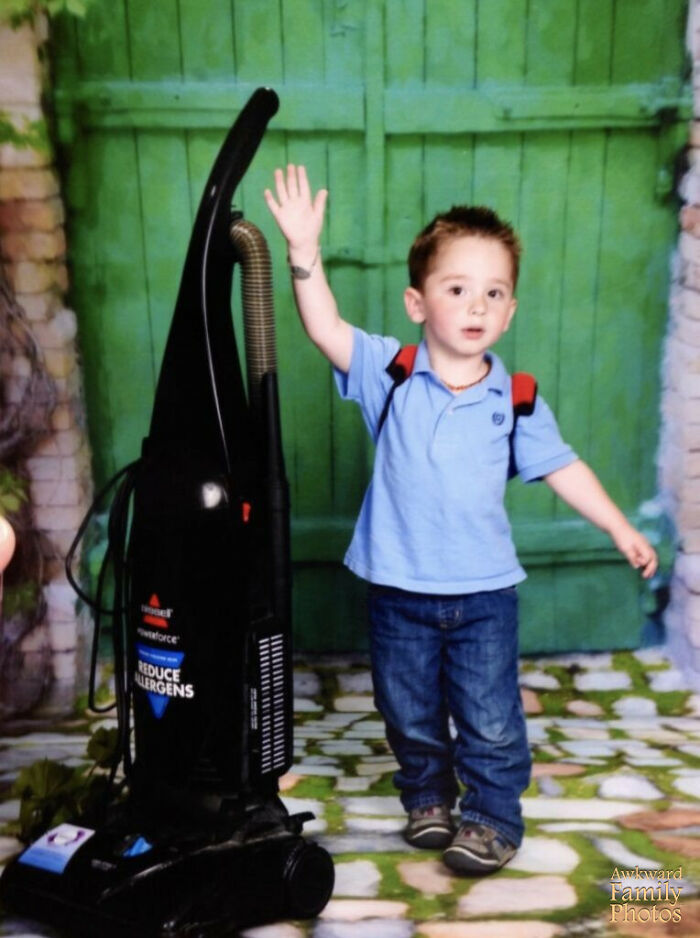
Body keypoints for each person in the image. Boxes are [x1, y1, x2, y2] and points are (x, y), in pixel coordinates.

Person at [264, 165, 658, 875]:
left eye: (493, 292)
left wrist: (618, 527)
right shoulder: (390, 372)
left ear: (509, 312)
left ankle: (492, 818)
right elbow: (323, 327)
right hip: (398, 589)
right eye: (457, 289)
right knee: (407, 710)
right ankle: (428, 798)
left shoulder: (520, 399)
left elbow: (563, 467)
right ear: (418, 302)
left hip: (482, 596)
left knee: (491, 717)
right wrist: (303, 254)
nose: (476, 305)